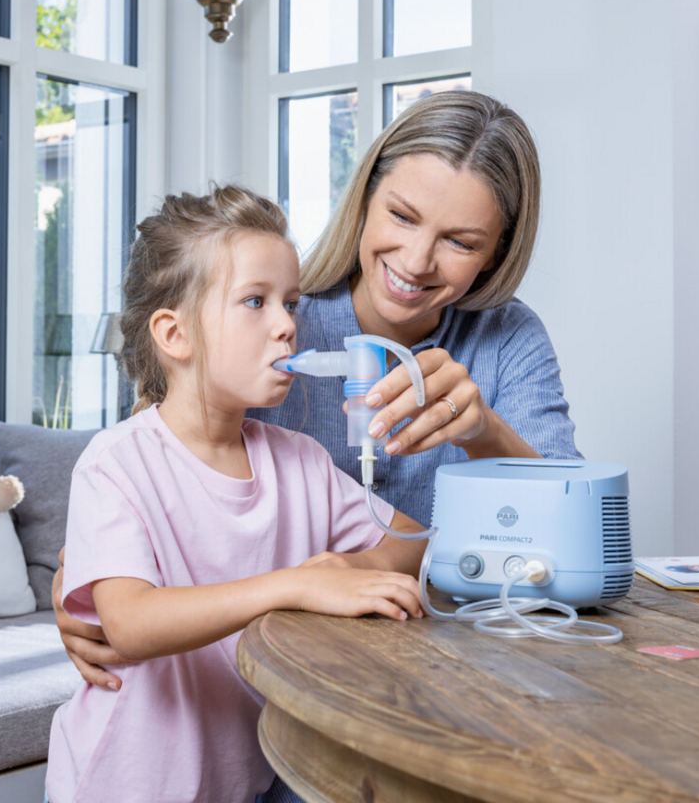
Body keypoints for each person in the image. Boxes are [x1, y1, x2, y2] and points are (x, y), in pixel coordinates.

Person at [54, 92, 581, 801]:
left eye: (460, 241)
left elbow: (460, 541)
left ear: (496, 254)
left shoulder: (304, 454)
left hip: (354, 722)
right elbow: (156, 497)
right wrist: (79, 580)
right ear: (364, 198)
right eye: (401, 216)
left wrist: (481, 436)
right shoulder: (157, 436)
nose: (419, 260)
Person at [45, 187, 426, 803]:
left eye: (291, 303)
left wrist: (344, 568)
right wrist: (297, 584)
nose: (287, 325)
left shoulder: (298, 461)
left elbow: (410, 544)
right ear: (174, 334)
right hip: (125, 784)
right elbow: (131, 623)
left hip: (243, 781)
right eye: (255, 302)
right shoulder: (117, 463)